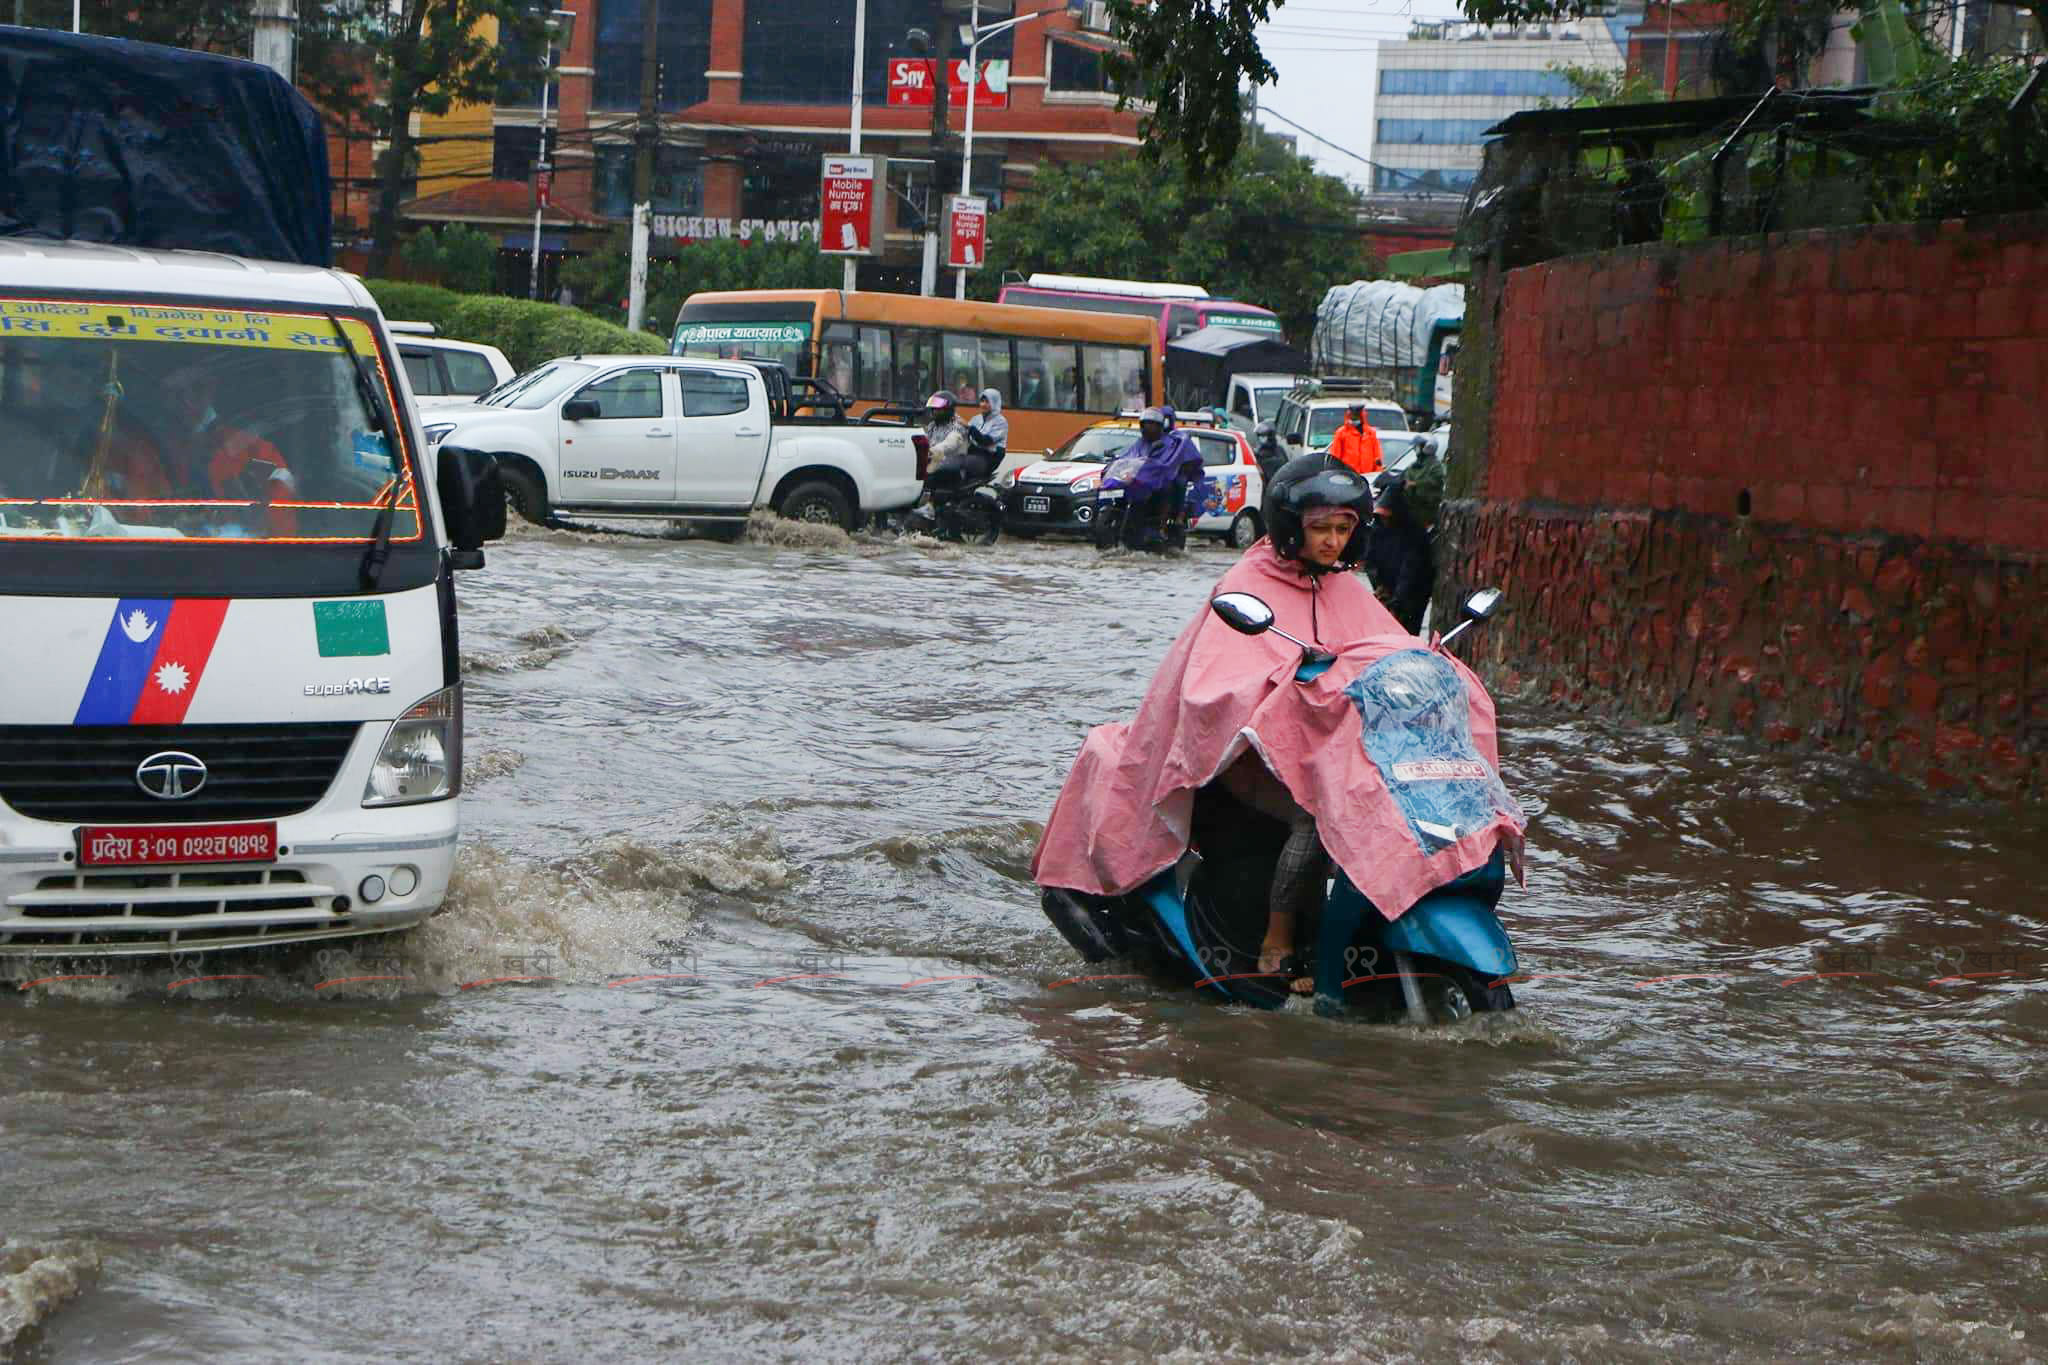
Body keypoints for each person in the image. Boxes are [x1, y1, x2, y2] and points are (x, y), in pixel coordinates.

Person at [106, 353, 299, 533]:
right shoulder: (142, 453)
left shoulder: (255, 450)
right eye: (175, 393)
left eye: (197, 389)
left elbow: (281, 525)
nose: (187, 400)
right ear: (162, 398)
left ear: (212, 388)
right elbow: (129, 519)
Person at [1364, 471, 1434, 635]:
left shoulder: (1413, 532)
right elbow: (1370, 560)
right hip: (1388, 588)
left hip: (1413, 594)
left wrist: (1397, 602)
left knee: (1407, 632)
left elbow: (1411, 569)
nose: (1385, 519)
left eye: (1387, 516)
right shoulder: (1377, 530)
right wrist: (1380, 587)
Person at [1327, 401, 1382, 477]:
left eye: (1357, 415)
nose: (1354, 418)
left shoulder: (1370, 433)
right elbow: (1335, 457)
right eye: (1353, 415)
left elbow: (1377, 457)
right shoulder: (1342, 433)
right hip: (1348, 476)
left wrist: (1377, 473)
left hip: (1368, 476)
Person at [1250, 419, 1288, 485]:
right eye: (1259, 436)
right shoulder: (1262, 450)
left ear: (1269, 436)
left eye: (1262, 436)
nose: (1260, 438)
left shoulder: (1273, 452)